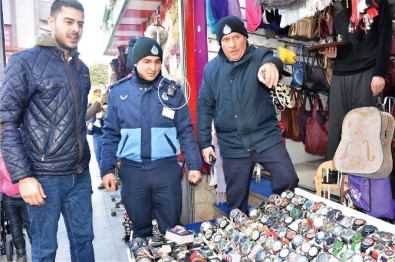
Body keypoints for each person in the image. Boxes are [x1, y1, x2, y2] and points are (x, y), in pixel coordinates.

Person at [0, 0, 95, 261]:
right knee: (44, 250)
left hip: (79, 175)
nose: (75, 28)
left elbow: (74, 120)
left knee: (84, 243)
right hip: (43, 177)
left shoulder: (82, 69)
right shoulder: (24, 62)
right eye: (69, 21)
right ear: (51, 22)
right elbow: (6, 122)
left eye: (80, 24)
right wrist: (23, 176)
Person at [100, 36, 203, 238]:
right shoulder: (118, 93)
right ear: (135, 63)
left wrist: (195, 164)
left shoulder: (172, 92)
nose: (152, 68)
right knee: (141, 231)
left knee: (172, 230)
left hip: (165, 171)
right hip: (132, 173)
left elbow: (185, 130)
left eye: (157, 62)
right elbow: (110, 134)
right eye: (146, 62)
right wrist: (107, 169)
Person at [197, 16, 299, 214]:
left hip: (265, 137)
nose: (232, 45)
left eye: (236, 37)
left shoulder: (260, 56)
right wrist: (205, 143)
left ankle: (281, 218)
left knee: (288, 178)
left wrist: (270, 66)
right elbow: (204, 106)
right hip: (232, 144)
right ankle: (240, 238)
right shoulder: (211, 70)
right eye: (225, 40)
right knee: (236, 202)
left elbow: (273, 61)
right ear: (220, 43)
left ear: (245, 37)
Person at [321, 0, 392, 160]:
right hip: (340, 76)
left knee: (366, 131)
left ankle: (364, 183)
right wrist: (333, 55)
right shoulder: (340, 14)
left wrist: (380, 72)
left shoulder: (379, 4)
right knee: (336, 132)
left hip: (366, 74)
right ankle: (333, 179)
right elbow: (341, 48)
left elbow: (385, 39)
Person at [86, 86, 106, 189]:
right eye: (96, 92)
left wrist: (104, 112)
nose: (98, 93)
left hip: (108, 133)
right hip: (97, 134)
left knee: (107, 156)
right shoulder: (91, 104)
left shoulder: (106, 104)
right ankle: (103, 179)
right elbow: (87, 117)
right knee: (99, 157)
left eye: (99, 92)